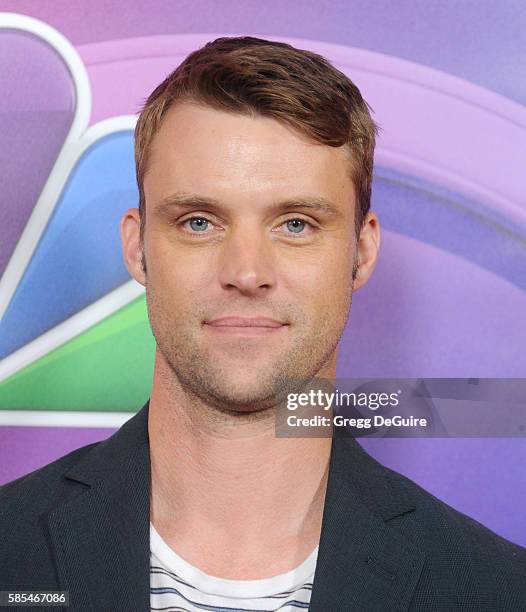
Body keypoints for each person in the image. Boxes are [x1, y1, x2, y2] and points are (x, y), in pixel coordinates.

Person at [1, 36, 525, 612]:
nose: (247, 272)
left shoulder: (495, 590)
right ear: (137, 247)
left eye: (296, 224)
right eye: (199, 222)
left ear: (363, 251)